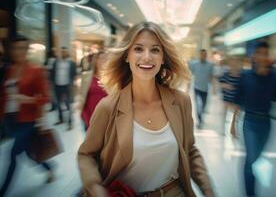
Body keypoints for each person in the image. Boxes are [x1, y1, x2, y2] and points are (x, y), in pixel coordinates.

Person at [77, 22, 215, 197]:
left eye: (155, 50)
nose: (147, 57)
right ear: (127, 55)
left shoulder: (181, 102)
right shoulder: (108, 107)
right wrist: (96, 187)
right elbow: (86, 154)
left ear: (163, 57)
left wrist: (208, 190)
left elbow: (190, 151)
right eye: (138, 49)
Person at [0, 36, 54, 196]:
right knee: (26, 151)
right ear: (11, 50)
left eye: (23, 48)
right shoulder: (8, 70)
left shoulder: (35, 70)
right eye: (16, 48)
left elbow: (45, 98)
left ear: (27, 50)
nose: (19, 52)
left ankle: (3, 190)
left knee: (13, 153)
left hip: (28, 120)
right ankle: (49, 168)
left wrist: (27, 99)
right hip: (10, 119)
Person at [234, 42, 276, 197]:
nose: (263, 56)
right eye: (260, 53)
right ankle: (251, 193)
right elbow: (238, 101)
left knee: (255, 158)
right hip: (249, 121)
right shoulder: (245, 76)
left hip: (266, 123)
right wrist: (232, 124)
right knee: (251, 157)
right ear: (254, 56)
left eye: (265, 53)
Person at [78, 51, 108, 130]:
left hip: (105, 119)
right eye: (101, 59)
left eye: (106, 59)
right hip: (89, 116)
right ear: (96, 61)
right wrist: (84, 116)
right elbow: (82, 97)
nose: (104, 61)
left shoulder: (112, 79)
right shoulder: (87, 76)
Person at [50, 47, 77, 130]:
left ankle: (70, 122)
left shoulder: (72, 63)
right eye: (62, 52)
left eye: (65, 52)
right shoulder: (56, 62)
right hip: (57, 86)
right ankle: (61, 119)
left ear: (67, 53)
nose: (63, 53)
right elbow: (52, 73)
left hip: (67, 86)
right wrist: (52, 84)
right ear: (60, 53)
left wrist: (73, 86)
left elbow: (74, 75)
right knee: (58, 104)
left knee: (68, 104)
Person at [189, 49, 214, 128]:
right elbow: (190, 75)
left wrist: (214, 88)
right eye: (202, 54)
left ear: (206, 55)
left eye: (205, 55)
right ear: (200, 55)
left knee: (203, 106)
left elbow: (211, 76)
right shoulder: (194, 64)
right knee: (197, 105)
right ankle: (199, 121)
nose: (203, 56)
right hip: (196, 88)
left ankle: (201, 116)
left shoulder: (210, 65)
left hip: (205, 89)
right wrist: (188, 85)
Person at [219, 56, 242, 137]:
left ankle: (233, 130)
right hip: (227, 98)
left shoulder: (241, 76)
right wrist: (226, 86)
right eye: (232, 63)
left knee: (236, 116)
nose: (234, 64)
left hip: (236, 99)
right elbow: (220, 83)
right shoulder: (226, 74)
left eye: (236, 62)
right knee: (225, 114)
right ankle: (223, 129)